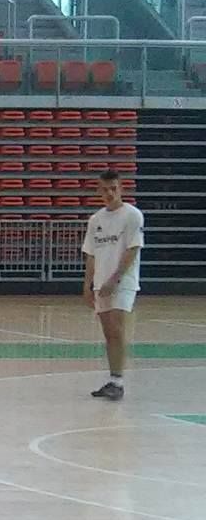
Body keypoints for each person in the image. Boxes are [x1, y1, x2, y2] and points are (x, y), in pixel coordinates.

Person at [83, 168, 145, 402]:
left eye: (113, 189)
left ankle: (118, 382)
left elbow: (132, 249)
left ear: (121, 189)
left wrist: (115, 279)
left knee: (117, 329)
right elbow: (91, 254)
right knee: (108, 332)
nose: (109, 193)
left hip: (123, 282)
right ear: (98, 191)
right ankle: (113, 378)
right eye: (105, 189)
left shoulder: (132, 215)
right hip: (101, 283)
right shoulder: (96, 220)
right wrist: (88, 284)